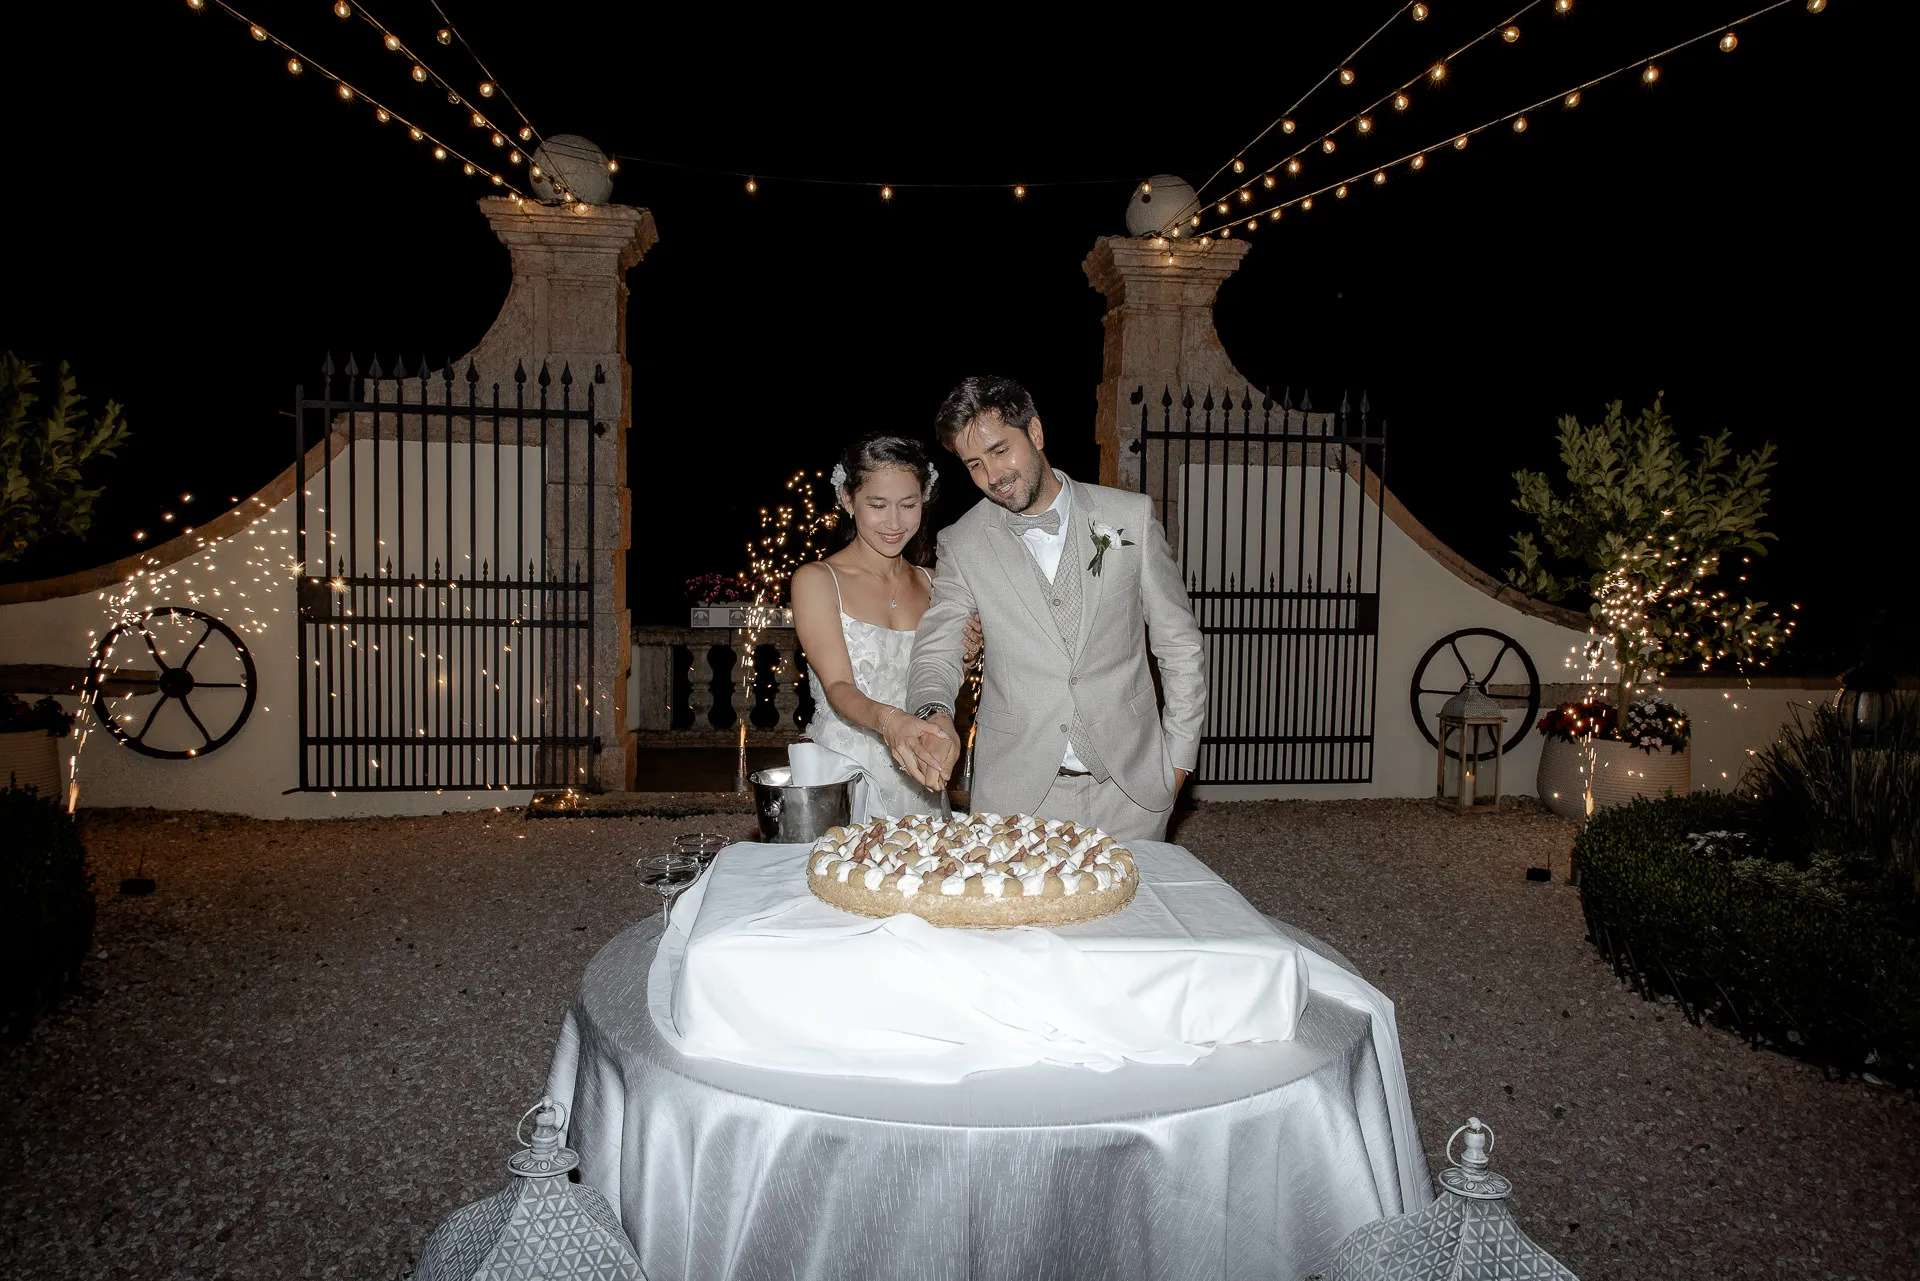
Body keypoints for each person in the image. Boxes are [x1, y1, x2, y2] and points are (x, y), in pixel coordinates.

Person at [885, 375, 1207, 843]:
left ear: (1035, 433)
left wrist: (1177, 763)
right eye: (974, 464)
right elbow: (936, 649)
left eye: (1000, 451)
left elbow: (1179, 647)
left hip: (1132, 793)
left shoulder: (1128, 518)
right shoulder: (963, 542)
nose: (992, 477)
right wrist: (934, 711)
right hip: (1017, 799)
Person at [791, 434, 975, 822]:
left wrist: (970, 653)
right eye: (877, 505)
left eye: (908, 505)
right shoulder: (818, 580)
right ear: (847, 499)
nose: (894, 522)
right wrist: (892, 723)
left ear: (924, 498)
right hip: (843, 772)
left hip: (920, 765)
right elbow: (838, 686)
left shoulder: (936, 584)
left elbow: (939, 677)